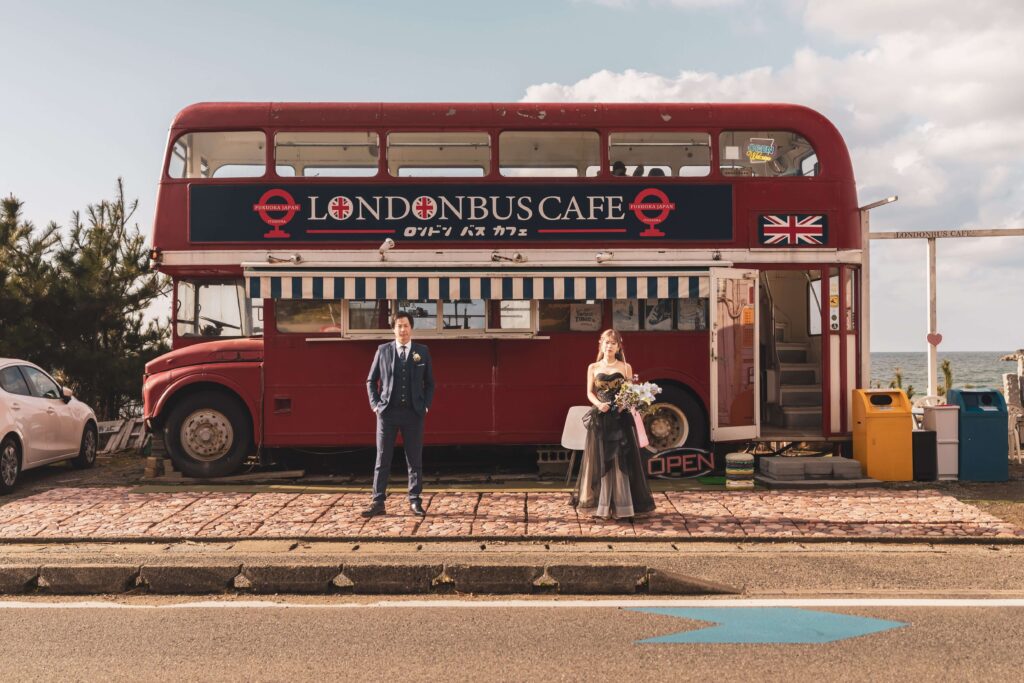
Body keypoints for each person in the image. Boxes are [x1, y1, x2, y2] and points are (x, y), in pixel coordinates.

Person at [576, 329, 656, 519]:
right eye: (606, 342)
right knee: (601, 460)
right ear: (601, 345)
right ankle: (602, 505)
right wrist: (599, 404)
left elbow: (629, 392)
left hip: (621, 418)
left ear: (619, 346)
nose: (609, 346)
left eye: (613, 343)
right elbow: (589, 393)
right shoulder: (593, 367)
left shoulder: (626, 367)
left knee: (622, 460)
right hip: (601, 418)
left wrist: (622, 405)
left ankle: (623, 506)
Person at [362, 311, 435, 518]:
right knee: (382, 458)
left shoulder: (422, 351)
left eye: (406, 325)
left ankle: (415, 500)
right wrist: (376, 405)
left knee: (414, 459)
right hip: (388, 413)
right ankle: (378, 502)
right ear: (393, 329)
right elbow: (371, 381)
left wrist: (426, 405)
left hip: (414, 413)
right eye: (399, 326)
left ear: (411, 328)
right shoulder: (382, 350)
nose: (403, 329)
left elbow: (430, 383)